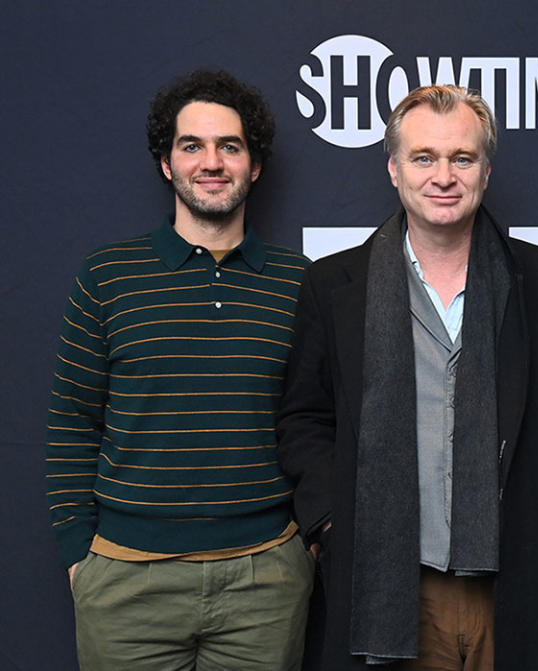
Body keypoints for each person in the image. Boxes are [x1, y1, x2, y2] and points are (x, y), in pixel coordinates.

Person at [276, 84, 538, 671]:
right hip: (388, 581)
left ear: (486, 171)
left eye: (462, 158)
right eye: (423, 157)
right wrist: (331, 524)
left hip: (520, 575)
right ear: (393, 169)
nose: (444, 176)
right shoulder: (334, 287)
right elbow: (306, 418)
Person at [45, 70, 313, 670]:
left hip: (265, 581)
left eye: (231, 146)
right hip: (124, 582)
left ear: (256, 165)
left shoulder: (301, 283)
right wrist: (78, 558)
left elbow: (319, 425)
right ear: (167, 163)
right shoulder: (108, 277)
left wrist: (309, 549)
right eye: (192, 145)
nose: (211, 162)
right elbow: (71, 423)